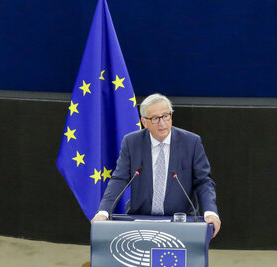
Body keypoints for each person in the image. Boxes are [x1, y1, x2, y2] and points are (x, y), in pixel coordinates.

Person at [91, 94, 221, 238]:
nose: (162, 123)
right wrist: (103, 212)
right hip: (141, 219)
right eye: (155, 118)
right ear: (144, 122)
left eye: (166, 116)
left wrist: (210, 212)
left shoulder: (191, 142)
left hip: (181, 221)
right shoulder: (131, 143)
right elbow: (119, 179)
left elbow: (203, 181)